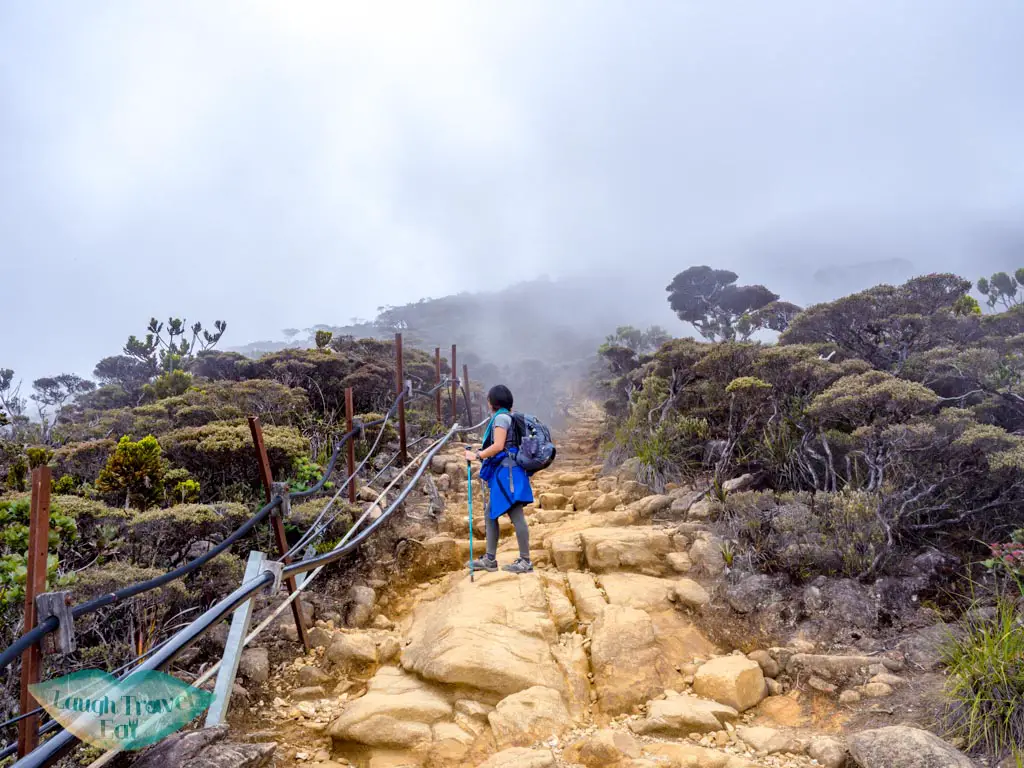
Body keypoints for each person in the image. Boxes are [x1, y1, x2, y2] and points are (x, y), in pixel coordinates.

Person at [464, 384, 535, 574]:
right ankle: (490, 559)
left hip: (507, 473)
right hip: (511, 470)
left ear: (492, 402)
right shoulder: (508, 417)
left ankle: (524, 561)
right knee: (491, 513)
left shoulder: (501, 418)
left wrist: (477, 455)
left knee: (515, 514)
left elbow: (498, 446)